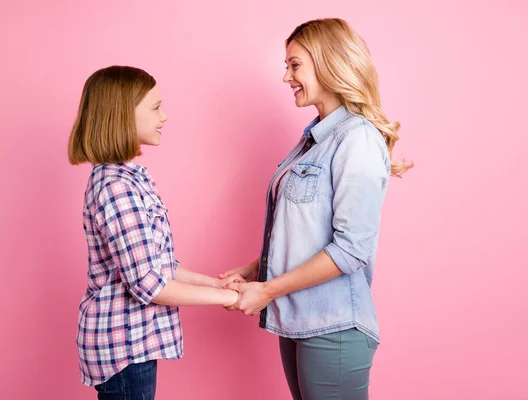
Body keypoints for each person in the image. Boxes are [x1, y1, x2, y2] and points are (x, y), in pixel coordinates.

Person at [220, 18, 412, 400]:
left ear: (328, 63)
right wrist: (255, 269)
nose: (285, 76)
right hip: (298, 321)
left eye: (295, 65)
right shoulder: (314, 139)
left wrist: (267, 290)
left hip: (335, 326)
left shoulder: (357, 139)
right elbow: (304, 232)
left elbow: (350, 249)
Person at [68, 65, 241, 400]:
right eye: (155, 107)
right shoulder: (117, 188)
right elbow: (149, 284)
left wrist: (216, 284)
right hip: (124, 348)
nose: (164, 116)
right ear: (123, 115)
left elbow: (159, 265)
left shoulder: (131, 179)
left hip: (133, 344)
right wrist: (231, 298)